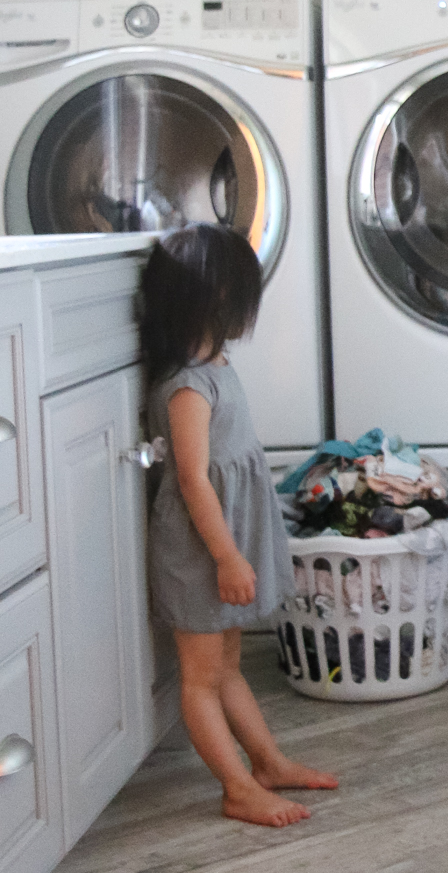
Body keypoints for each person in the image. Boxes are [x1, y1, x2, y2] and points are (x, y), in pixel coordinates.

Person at [140, 226, 338, 828]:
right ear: (213, 299)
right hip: (200, 551)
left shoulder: (216, 365)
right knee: (200, 677)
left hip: (222, 542)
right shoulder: (186, 387)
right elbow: (194, 480)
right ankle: (236, 787)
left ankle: (267, 762)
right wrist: (228, 557)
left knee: (228, 666)